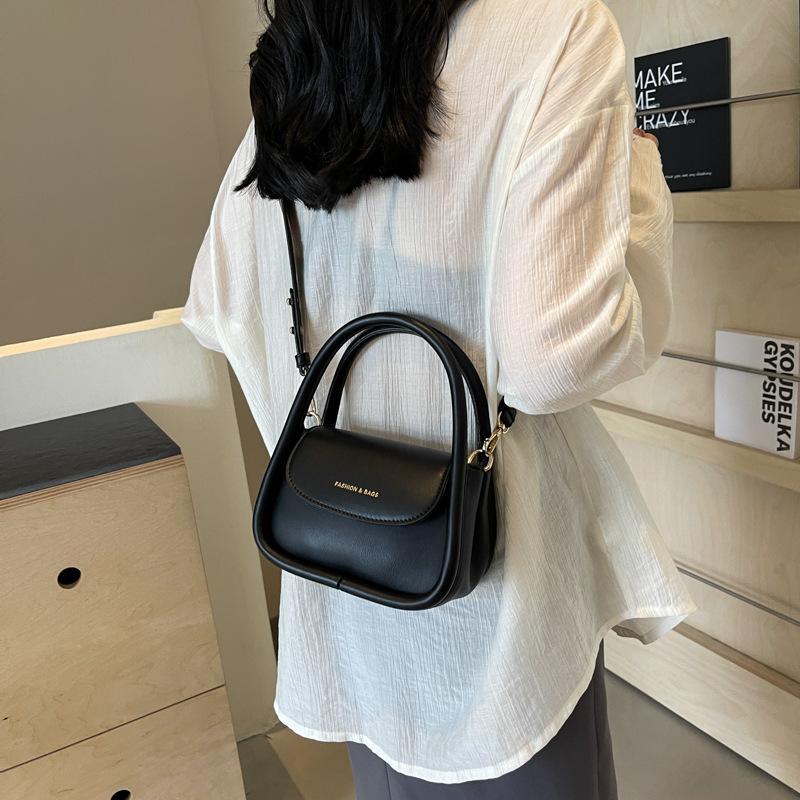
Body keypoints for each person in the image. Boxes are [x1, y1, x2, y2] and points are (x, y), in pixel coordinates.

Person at [181, 0, 696, 796]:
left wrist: (342, 429)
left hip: (348, 589)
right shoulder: (556, 31)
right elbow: (556, 360)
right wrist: (640, 183)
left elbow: (219, 304)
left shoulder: (298, 71)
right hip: (503, 601)